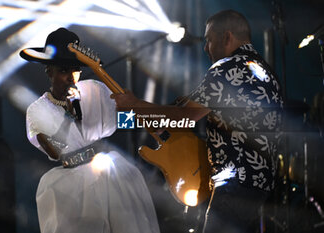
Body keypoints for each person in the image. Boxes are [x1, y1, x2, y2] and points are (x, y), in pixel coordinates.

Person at [111, 10, 283, 233]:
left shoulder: (225, 69)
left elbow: (184, 118)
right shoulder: (264, 71)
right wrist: (127, 117)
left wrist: (131, 107)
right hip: (260, 186)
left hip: (235, 184)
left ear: (227, 37)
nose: (205, 48)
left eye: (209, 41)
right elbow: (181, 112)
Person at [19, 28, 160, 233]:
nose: (71, 77)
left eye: (75, 70)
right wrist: (68, 116)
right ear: (49, 70)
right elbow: (54, 150)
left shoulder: (93, 90)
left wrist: (160, 118)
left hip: (108, 173)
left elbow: (123, 120)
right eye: (63, 70)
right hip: (70, 184)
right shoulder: (37, 111)